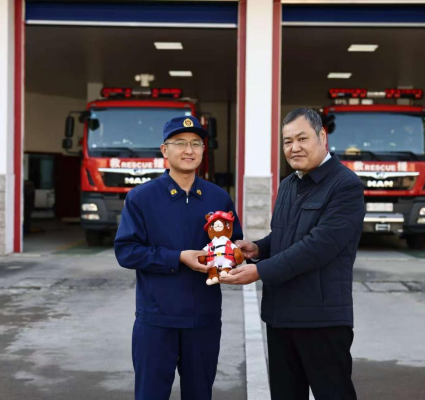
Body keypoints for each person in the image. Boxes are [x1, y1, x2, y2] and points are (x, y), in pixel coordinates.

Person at [221, 108, 365, 400]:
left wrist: (260, 271)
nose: (294, 147)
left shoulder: (345, 185)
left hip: (321, 320)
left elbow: (318, 247)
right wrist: (258, 248)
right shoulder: (289, 185)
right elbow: (285, 236)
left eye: (302, 138)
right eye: (287, 141)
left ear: (322, 136)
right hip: (281, 317)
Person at [115, 115, 243, 400]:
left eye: (196, 143)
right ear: (165, 150)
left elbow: (233, 243)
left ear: (203, 150)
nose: (189, 150)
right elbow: (127, 251)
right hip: (157, 319)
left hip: (204, 319)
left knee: (200, 394)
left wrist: (235, 255)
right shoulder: (141, 198)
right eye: (180, 143)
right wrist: (178, 258)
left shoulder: (218, 197)